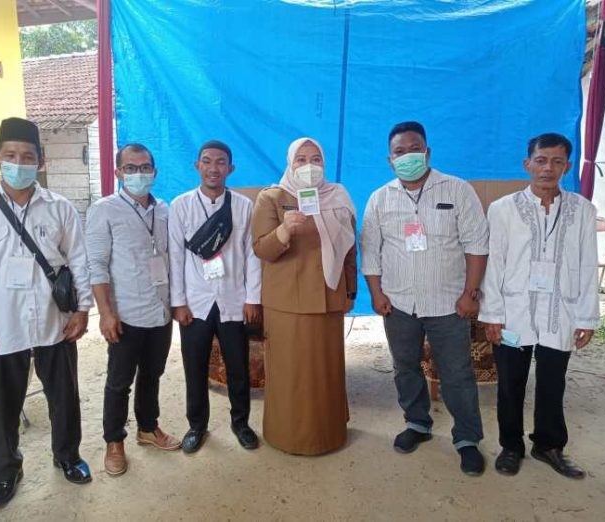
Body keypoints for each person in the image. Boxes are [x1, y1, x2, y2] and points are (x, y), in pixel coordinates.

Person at [0, 117, 93, 509]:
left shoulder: (60, 208)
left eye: (28, 156)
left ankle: (67, 456)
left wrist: (83, 309)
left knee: (64, 397)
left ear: (41, 161)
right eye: (11, 155)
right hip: (3, 325)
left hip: (55, 321)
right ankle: (6, 472)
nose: (19, 163)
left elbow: (79, 261)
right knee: (5, 405)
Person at [360, 121, 489, 476]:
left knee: (457, 373)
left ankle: (467, 438)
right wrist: (376, 293)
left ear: (428, 152)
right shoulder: (380, 198)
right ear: (390, 160)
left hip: (449, 303)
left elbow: (477, 244)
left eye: (414, 149)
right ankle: (417, 423)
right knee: (405, 367)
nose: (408, 157)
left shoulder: (457, 189)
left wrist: (470, 293)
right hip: (399, 303)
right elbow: (370, 251)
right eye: (399, 152)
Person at [479, 133, 599, 479]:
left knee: (552, 382)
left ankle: (548, 445)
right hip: (513, 313)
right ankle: (511, 446)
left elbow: (588, 264)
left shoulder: (582, 210)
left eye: (557, 161)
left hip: (560, 312)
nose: (548, 168)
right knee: (510, 383)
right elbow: (494, 264)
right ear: (527, 164)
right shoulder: (503, 210)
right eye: (541, 160)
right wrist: (493, 315)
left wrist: (587, 317)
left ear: (568, 167)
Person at [252, 137, 357, 455]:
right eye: (301, 159)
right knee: (291, 373)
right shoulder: (272, 197)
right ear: (290, 163)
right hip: (287, 303)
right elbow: (262, 249)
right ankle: (286, 435)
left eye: (316, 159)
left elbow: (350, 250)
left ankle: (328, 434)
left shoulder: (338, 196)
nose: (309, 166)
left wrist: (350, 290)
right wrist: (284, 231)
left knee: (325, 371)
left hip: (328, 297)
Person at [86, 143, 181, 477]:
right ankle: (114, 441)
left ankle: (148, 428)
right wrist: (106, 313)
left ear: (154, 171)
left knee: (153, 374)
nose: (138, 174)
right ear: (118, 173)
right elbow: (96, 265)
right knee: (119, 382)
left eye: (144, 167)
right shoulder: (104, 210)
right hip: (125, 314)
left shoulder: (164, 210)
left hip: (160, 311)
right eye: (131, 168)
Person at [168, 140, 262, 453]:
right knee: (194, 367)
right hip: (195, 302)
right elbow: (175, 257)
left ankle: (241, 423)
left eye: (221, 162)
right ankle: (197, 426)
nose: (213, 168)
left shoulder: (243, 206)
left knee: (238, 367)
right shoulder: (181, 205)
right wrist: (178, 302)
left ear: (230, 168)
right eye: (207, 161)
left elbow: (252, 255)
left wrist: (253, 298)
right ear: (197, 165)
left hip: (233, 300)